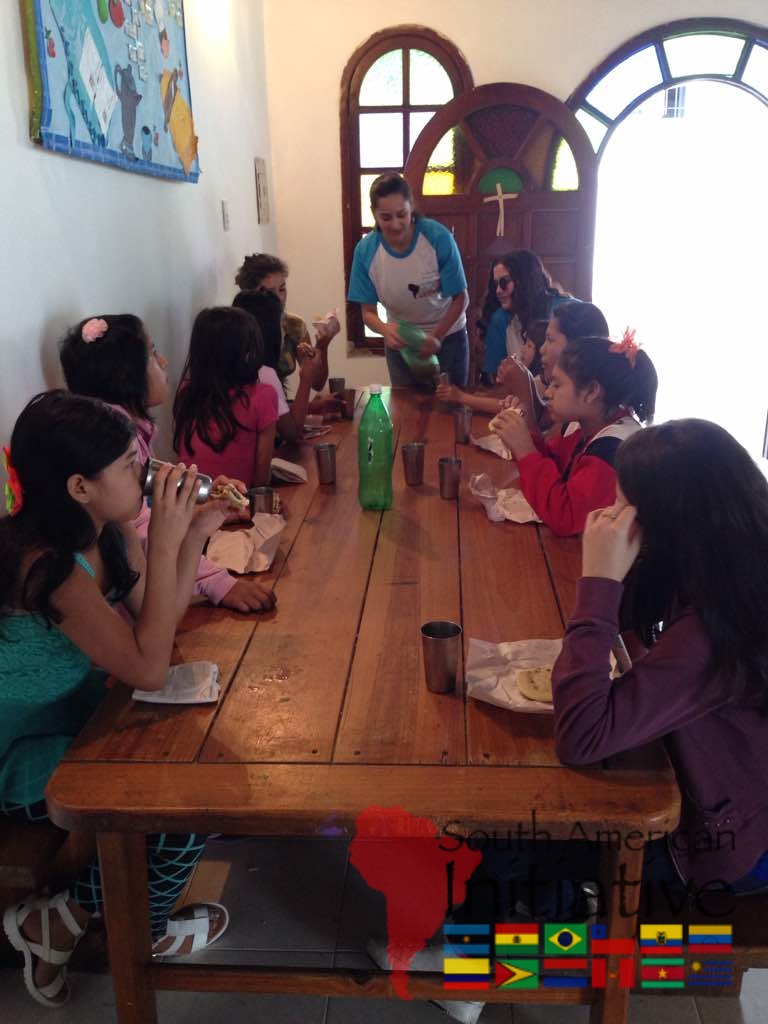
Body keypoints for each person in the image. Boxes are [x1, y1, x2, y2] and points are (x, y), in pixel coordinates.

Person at [0, 391, 231, 1007]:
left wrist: (195, 533)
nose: (148, 470)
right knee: (178, 805)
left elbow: (161, 618)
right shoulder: (47, 569)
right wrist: (171, 536)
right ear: (80, 485)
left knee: (195, 780)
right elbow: (150, 667)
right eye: (132, 463)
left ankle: (62, 920)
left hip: (80, 720)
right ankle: (135, 932)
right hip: (20, 755)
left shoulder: (109, 530)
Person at [554, 420, 768, 890]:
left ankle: (471, 956)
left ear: (667, 523)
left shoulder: (713, 633)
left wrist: (600, 583)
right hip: (715, 786)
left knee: (526, 854)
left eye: (623, 505)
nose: (612, 515)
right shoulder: (732, 565)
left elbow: (580, 736)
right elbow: (634, 638)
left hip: (715, 843)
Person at [60, 314, 275, 613]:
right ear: (126, 374)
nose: (163, 362)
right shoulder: (115, 441)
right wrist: (217, 581)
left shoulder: (117, 427)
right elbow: (144, 531)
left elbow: (155, 483)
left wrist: (208, 493)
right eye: (152, 353)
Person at [489, 332, 658, 536]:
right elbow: (554, 467)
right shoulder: (583, 426)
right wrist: (523, 432)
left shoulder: (615, 451)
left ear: (591, 392)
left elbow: (566, 517)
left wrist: (525, 451)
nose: (547, 393)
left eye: (557, 384)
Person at [348, 172, 470, 388]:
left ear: (411, 207)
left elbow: (461, 299)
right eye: (386, 217)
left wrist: (436, 337)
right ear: (373, 214)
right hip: (402, 345)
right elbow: (367, 313)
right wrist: (386, 330)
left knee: (450, 409)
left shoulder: (438, 238)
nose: (395, 225)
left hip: (448, 336)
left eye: (401, 214)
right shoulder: (366, 251)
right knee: (405, 410)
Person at [437, 300, 610, 428]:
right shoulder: (573, 408)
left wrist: (525, 390)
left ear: (576, 346)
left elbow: (545, 463)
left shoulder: (588, 419)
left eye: (549, 340)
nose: (542, 349)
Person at [173, 307, 278, 487]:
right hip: (237, 503)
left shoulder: (186, 393)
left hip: (190, 503)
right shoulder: (263, 396)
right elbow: (261, 480)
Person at [232, 289, 333, 443]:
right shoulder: (264, 374)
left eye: (282, 288)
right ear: (269, 331)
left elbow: (279, 415)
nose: (284, 332)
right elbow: (292, 432)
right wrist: (305, 378)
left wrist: (312, 406)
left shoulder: (231, 363)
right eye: (281, 325)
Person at [235, 252, 338, 393]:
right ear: (249, 294)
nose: (279, 298)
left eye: (282, 289)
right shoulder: (237, 330)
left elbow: (316, 383)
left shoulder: (293, 325)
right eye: (269, 292)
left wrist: (323, 343)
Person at [480, 250, 565, 381]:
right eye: (495, 284)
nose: (498, 291)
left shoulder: (565, 312)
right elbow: (496, 380)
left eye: (504, 283)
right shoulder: (500, 318)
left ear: (525, 281)